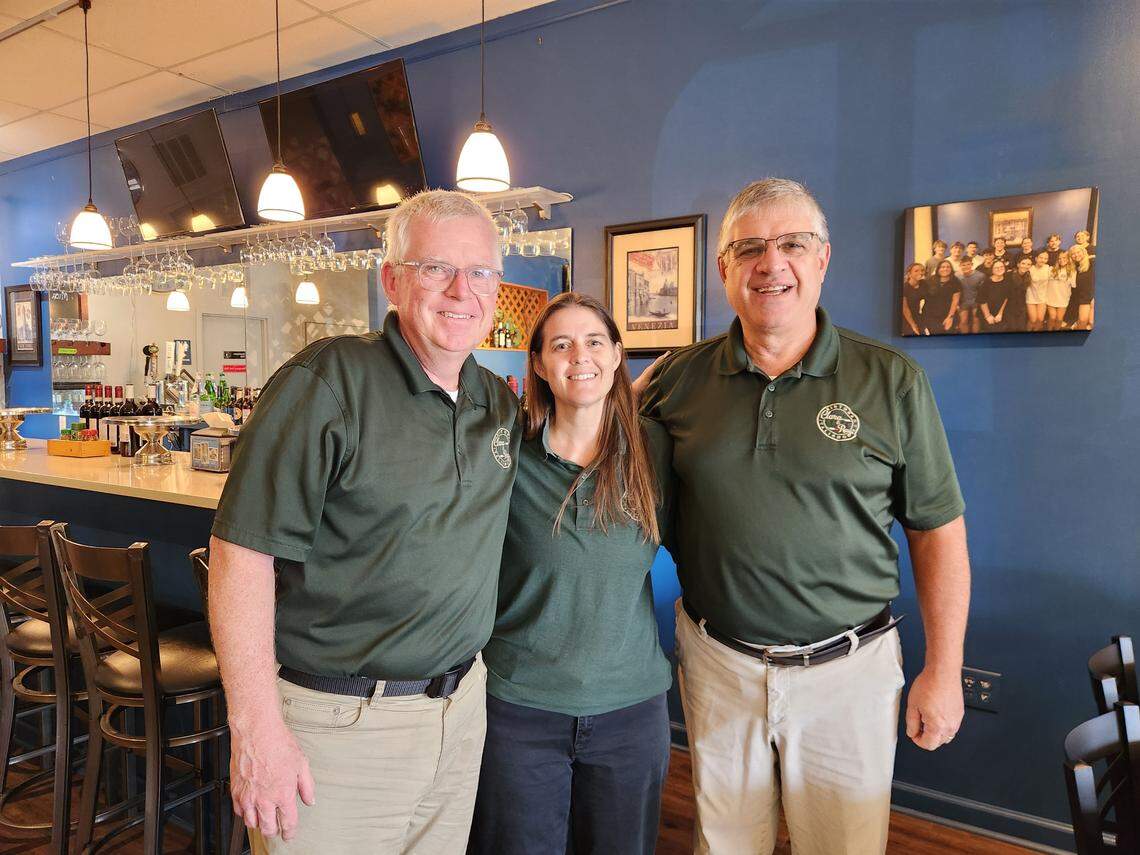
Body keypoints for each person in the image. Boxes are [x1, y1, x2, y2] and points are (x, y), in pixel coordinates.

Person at [641, 178, 970, 855]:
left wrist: (945, 668)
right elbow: (609, 472)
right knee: (724, 844)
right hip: (718, 663)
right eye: (751, 247)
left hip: (847, 672)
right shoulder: (677, 380)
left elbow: (936, 529)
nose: (773, 263)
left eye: (793, 243)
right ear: (724, 268)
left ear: (823, 258)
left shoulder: (892, 380)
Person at [207, 190, 521, 853]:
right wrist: (257, 729)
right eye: (436, 267)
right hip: (338, 725)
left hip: (459, 712)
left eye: (481, 272)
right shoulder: (327, 383)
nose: (462, 290)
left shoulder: (496, 401)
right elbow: (239, 555)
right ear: (393, 281)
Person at [470, 293, 673, 855]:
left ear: (615, 356)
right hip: (518, 710)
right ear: (537, 363)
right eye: (560, 345)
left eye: (593, 342)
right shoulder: (506, 452)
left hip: (630, 712)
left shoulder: (656, 449)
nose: (578, 356)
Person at [924, 258, 961, 334]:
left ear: (951, 269)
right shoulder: (929, 280)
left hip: (948, 313)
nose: (945, 269)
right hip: (931, 315)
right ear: (938, 269)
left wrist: (950, 317)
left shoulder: (955, 281)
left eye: (948, 267)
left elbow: (955, 300)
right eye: (942, 267)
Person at [1045, 249, 1076, 331]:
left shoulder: (1072, 271)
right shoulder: (1051, 269)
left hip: (1063, 299)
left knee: (1059, 319)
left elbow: (1074, 285)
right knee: (1052, 317)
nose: (1061, 260)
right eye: (1059, 258)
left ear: (1068, 259)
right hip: (1050, 297)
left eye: (1064, 258)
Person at [979, 259, 1012, 331]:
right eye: (996, 267)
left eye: (1001, 267)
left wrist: (1000, 314)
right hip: (987, 312)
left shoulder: (1007, 282)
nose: (999, 269)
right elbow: (982, 301)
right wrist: (988, 316)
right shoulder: (986, 283)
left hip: (1001, 311)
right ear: (992, 270)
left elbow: (1006, 298)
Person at [1068, 243, 1095, 330]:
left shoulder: (1092, 262)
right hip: (1084, 297)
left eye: (1078, 252)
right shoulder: (1075, 267)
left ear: (1083, 252)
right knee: (1083, 320)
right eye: (1073, 254)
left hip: (1094, 296)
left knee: (1091, 322)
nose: (1076, 255)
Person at [955, 256, 983, 334]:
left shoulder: (980, 276)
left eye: (968, 264)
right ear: (960, 266)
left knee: (976, 320)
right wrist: (956, 304)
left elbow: (983, 292)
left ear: (972, 264)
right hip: (963, 301)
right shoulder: (956, 276)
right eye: (963, 265)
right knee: (963, 321)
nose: (966, 266)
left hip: (976, 300)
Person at [1027, 249, 1052, 331]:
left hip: (1043, 297)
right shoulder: (1030, 268)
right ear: (1036, 258)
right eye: (1041, 257)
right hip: (1031, 296)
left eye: (1045, 258)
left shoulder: (1049, 268)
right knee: (1033, 320)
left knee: (1040, 319)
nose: (1043, 260)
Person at [1006, 256, 1033, 332]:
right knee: (1012, 328)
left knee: (1021, 328)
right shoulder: (1009, 275)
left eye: (1028, 264)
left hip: (1022, 306)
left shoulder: (1029, 276)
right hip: (1009, 306)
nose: (1025, 266)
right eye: (1023, 263)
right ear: (1018, 264)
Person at [901, 261, 928, 335]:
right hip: (905, 317)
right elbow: (905, 309)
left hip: (917, 315)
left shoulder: (923, 283)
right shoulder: (904, 287)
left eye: (922, 270)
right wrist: (913, 325)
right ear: (909, 274)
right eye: (916, 271)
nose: (920, 273)